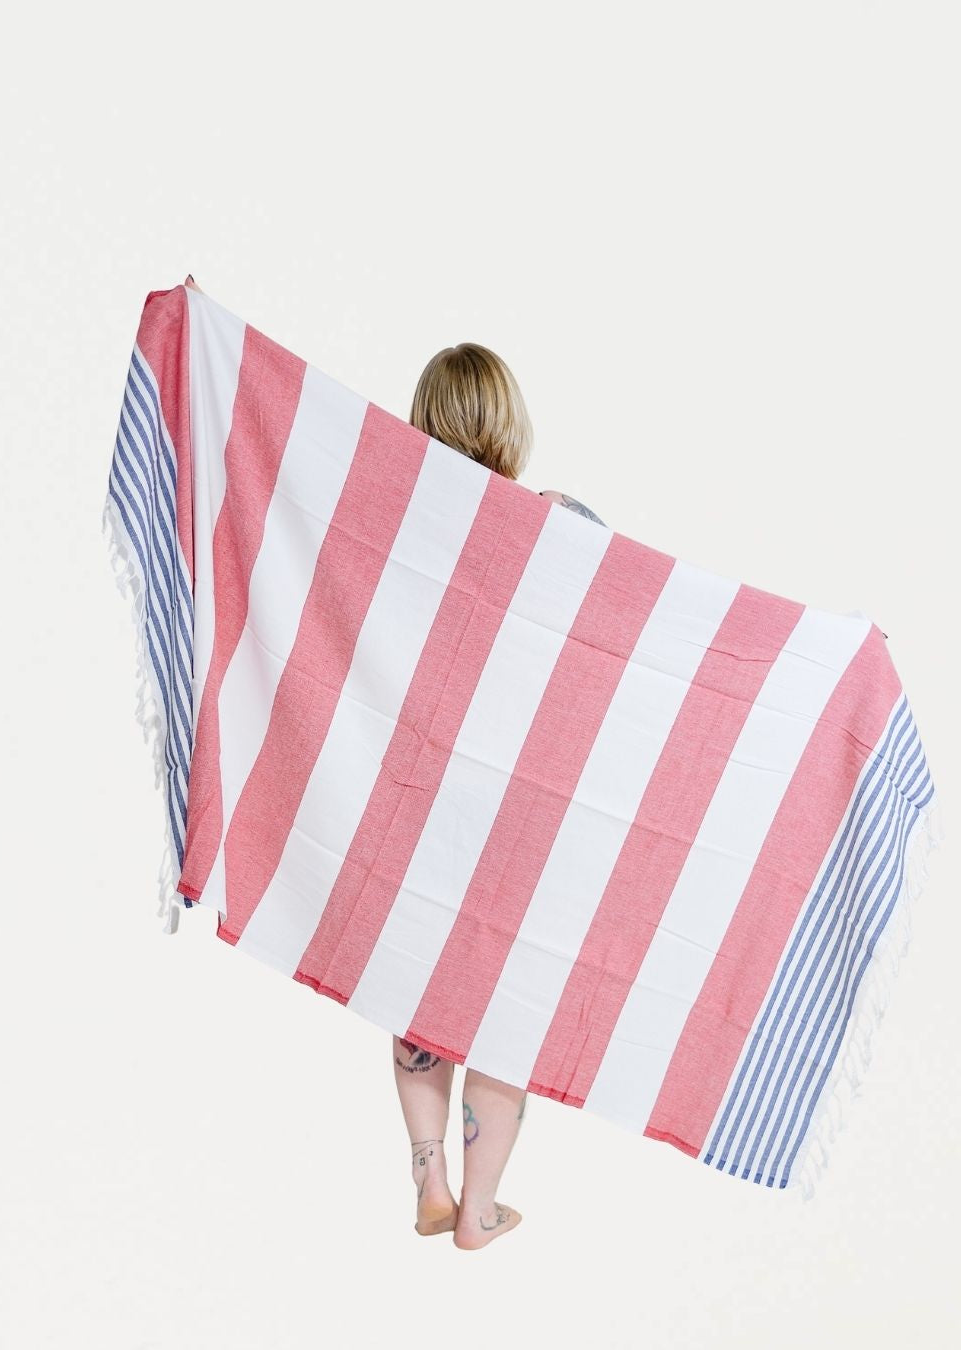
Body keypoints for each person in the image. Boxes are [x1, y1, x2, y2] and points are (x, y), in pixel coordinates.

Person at [401, 342, 605, 1250]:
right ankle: (479, 1209)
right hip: (524, 800)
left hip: (422, 787)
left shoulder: (392, 524)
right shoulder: (562, 524)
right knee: (503, 997)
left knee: (413, 979)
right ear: (508, 420)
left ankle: (431, 1183)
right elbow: (645, 628)